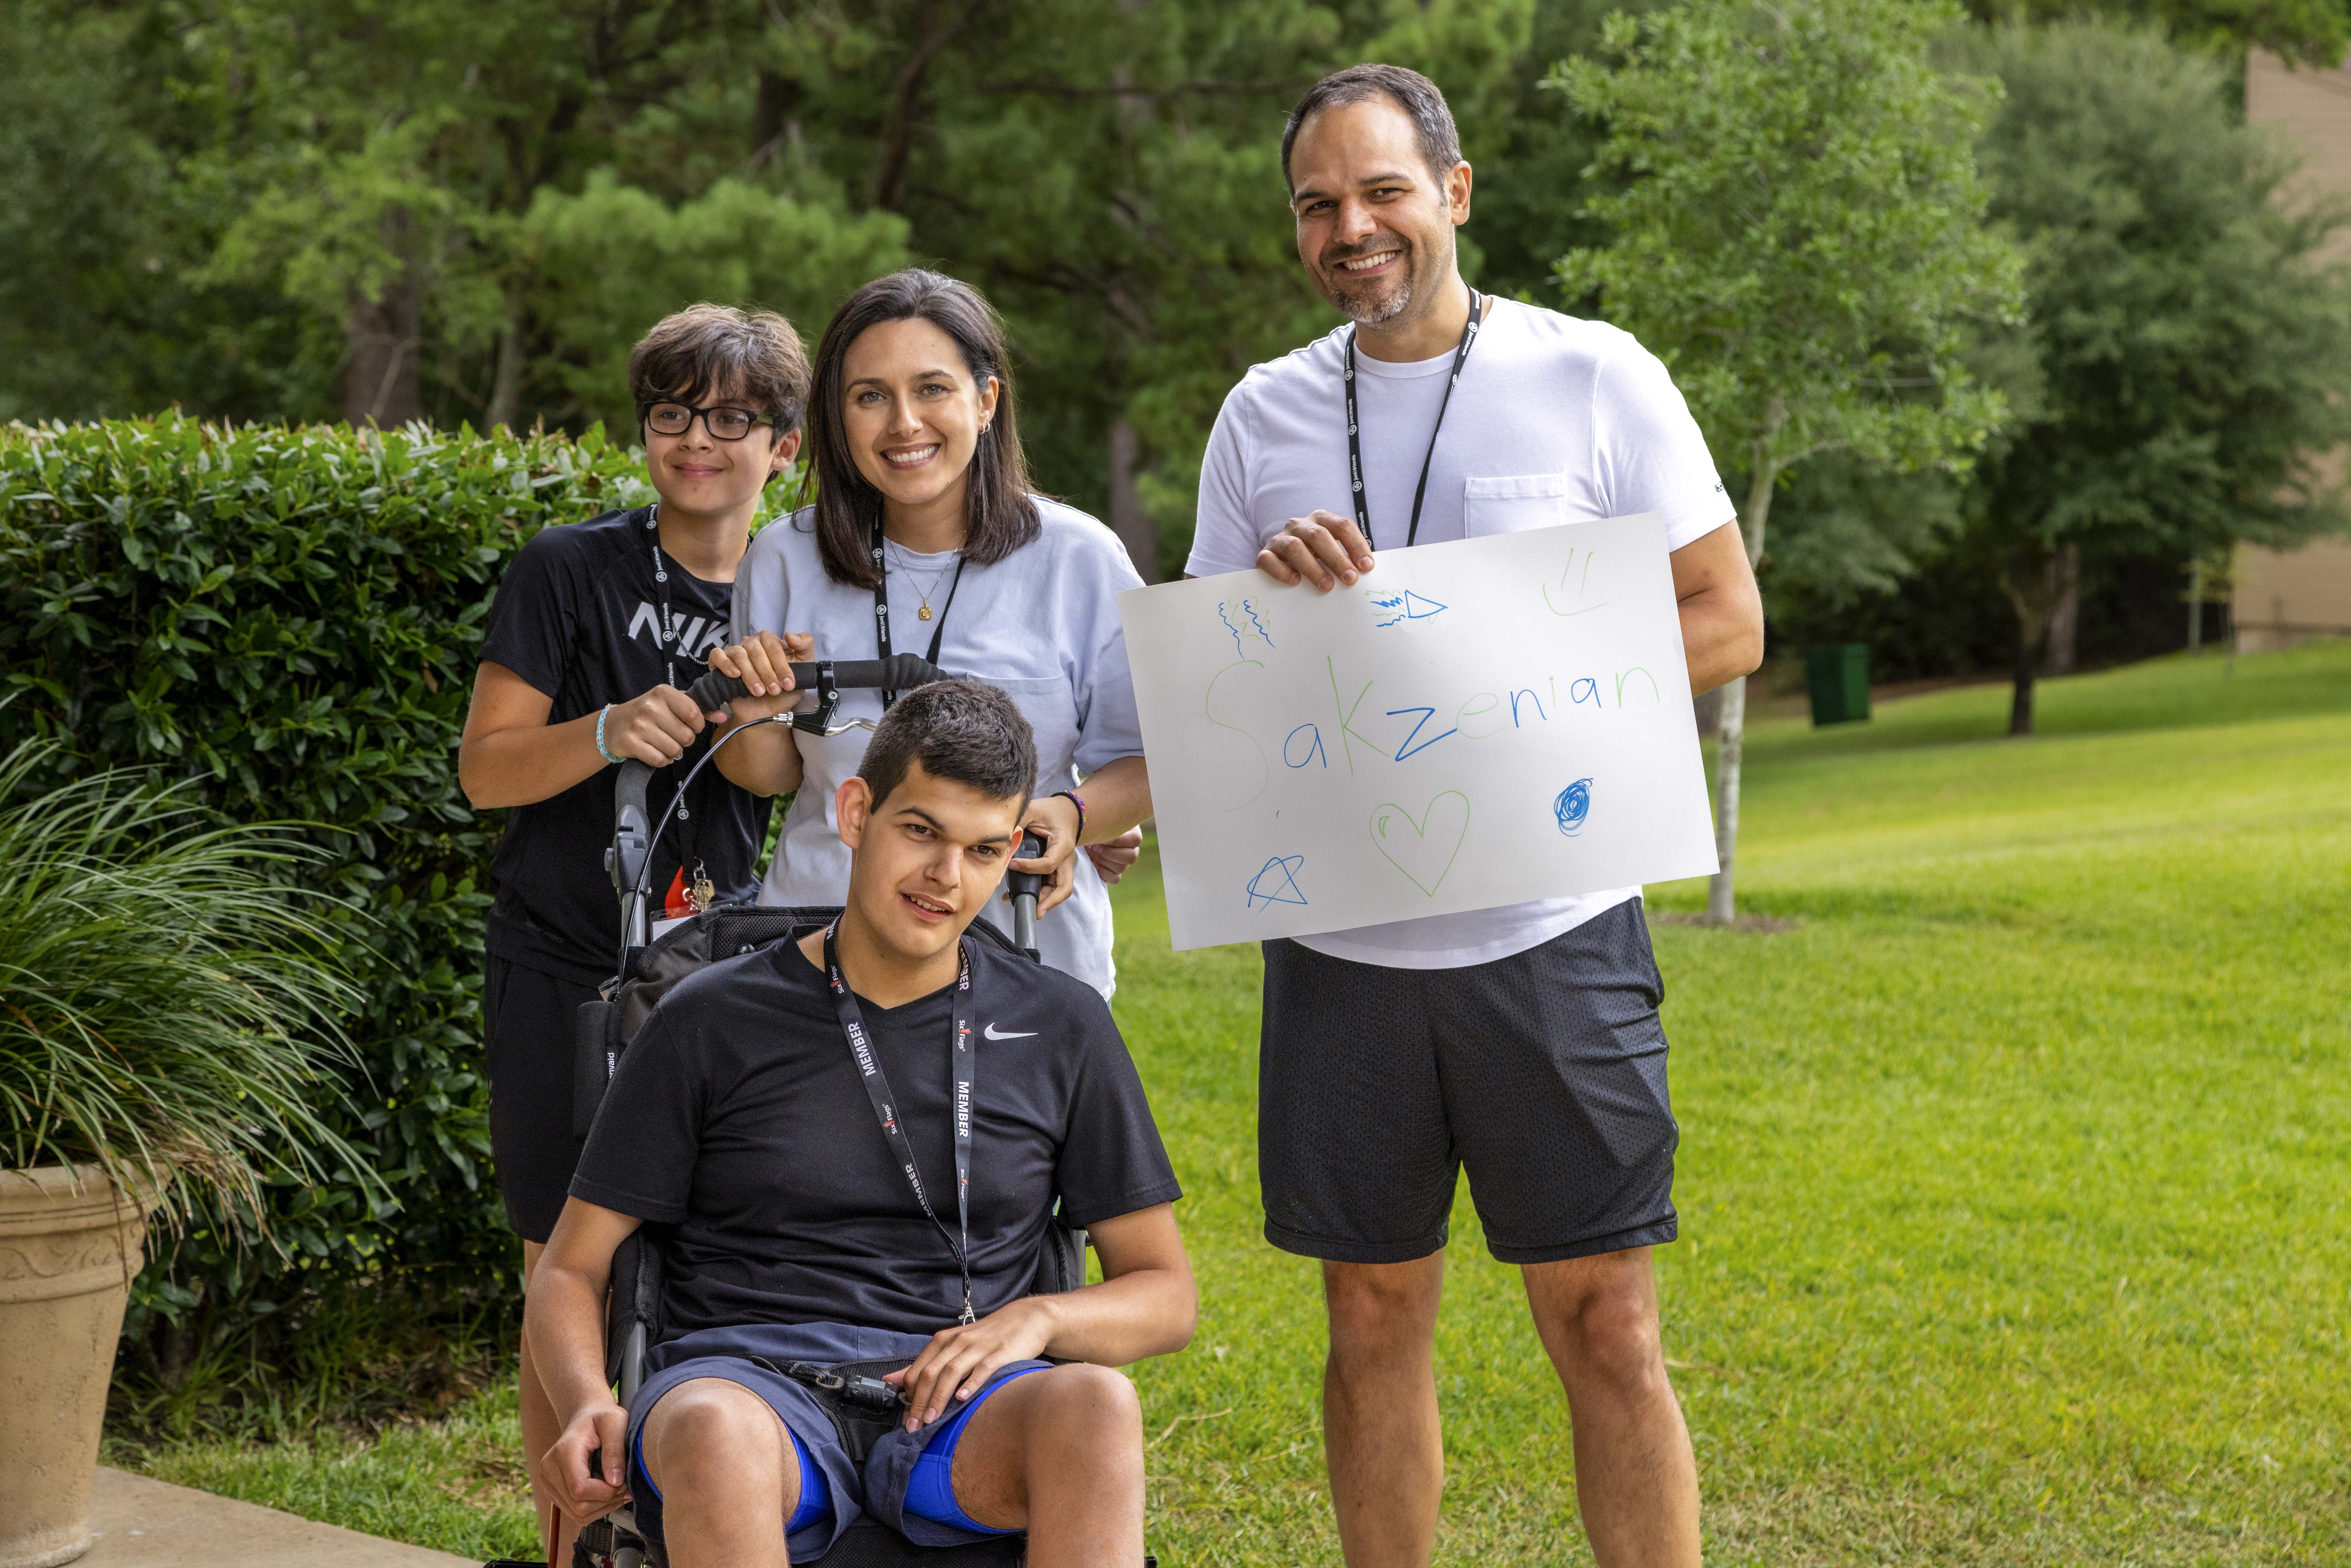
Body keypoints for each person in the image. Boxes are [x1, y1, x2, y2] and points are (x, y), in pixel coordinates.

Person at [1183, 65, 1765, 1568]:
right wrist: (1262, 606)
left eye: (1381, 191)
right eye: (1318, 204)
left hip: (1554, 936)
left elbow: (1727, 620)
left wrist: (1506, 663)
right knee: (1370, 1314)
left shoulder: (1596, 375)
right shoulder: (1263, 415)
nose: (1351, 227)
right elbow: (1220, 691)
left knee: (1607, 1320)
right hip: (1342, 960)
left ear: (1453, 191)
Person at [528, 679, 1195, 1568]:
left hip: (964, 1403)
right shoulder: (706, 1019)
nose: (946, 879)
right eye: (921, 832)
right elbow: (571, 1268)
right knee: (712, 1428)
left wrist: (1035, 1322)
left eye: (984, 850)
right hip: (751, 1391)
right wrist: (583, 1402)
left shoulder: (1063, 1026)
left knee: (1097, 1405)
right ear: (854, 813)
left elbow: (1165, 1291)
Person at [458, 303, 810, 1563]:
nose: (698, 441)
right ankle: (570, 1548)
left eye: (731, 419)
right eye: (672, 415)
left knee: (684, 1271)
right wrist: (608, 729)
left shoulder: (796, 581)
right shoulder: (572, 566)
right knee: (561, 1265)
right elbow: (486, 771)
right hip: (562, 961)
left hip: (717, 974)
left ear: (785, 447)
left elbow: (780, 783)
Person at [704, 269, 1148, 999]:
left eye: (932, 389)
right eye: (870, 396)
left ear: (985, 400)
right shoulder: (782, 556)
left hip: (1022, 948)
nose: (903, 422)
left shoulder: (1082, 558)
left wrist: (1071, 814)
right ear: (838, 418)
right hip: (816, 947)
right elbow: (771, 774)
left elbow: (1143, 760)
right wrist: (753, 704)